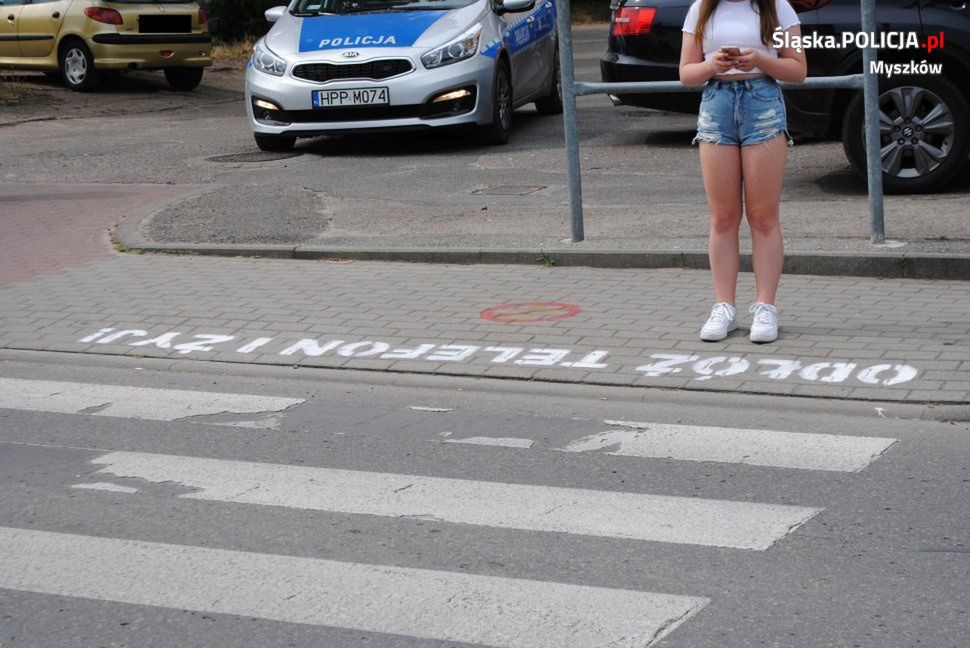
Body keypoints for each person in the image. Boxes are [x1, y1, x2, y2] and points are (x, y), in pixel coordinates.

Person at [679, 0, 807, 343]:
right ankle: (724, 306)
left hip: (762, 102)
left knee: (763, 216)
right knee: (723, 217)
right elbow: (686, 74)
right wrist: (712, 64)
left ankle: (765, 306)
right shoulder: (701, 9)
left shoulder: (778, 7)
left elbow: (798, 69)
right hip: (716, 103)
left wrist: (760, 59)